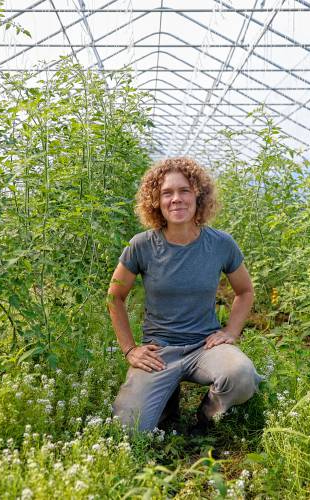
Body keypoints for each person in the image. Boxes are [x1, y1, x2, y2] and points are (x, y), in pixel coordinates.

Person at [108, 157, 262, 434]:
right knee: (129, 430)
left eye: (184, 191)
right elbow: (114, 297)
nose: (176, 199)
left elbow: (245, 291)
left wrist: (231, 331)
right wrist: (130, 349)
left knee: (240, 375)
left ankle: (204, 421)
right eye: (167, 193)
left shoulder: (220, 244)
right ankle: (167, 402)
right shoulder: (141, 246)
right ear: (156, 200)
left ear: (198, 196)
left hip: (205, 346)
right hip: (159, 352)